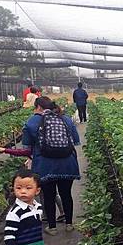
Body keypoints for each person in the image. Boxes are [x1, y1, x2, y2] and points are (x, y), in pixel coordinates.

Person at [22, 96, 80, 235]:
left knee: (49, 196)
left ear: (39, 107)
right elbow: (76, 141)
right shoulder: (64, 118)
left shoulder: (31, 122)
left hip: (44, 165)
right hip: (67, 163)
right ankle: (69, 224)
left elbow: (27, 147)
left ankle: (52, 227)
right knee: (66, 194)